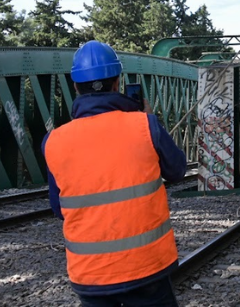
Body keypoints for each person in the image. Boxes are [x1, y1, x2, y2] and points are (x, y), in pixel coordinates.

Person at [42, 41, 187, 307]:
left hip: (90, 272)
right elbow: (177, 171)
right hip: (146, 266)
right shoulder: (145, 125)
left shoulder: (53, 141)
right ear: (117, 83)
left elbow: (59, 209)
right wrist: (151, 120)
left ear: (75, 86)